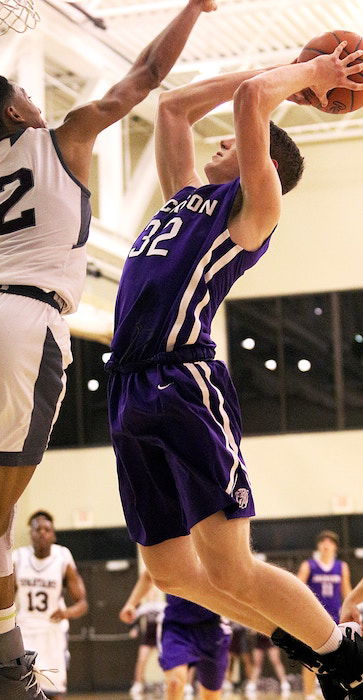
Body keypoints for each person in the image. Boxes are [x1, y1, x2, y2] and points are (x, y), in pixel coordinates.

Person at [0, 2, 219, 697]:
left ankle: (9, 665)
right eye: (26, 96)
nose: (37, 100)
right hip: (21, 319)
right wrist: (192, 8)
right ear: (14, 116)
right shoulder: (66, 136)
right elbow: (150, 73)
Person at [106, 34, 363, 700]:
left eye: (235, 144)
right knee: (175, 576)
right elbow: (173, 111)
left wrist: (308, 74)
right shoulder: (182, 199)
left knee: (232, 569)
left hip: (181, 384)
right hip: (130, 388)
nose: (220, 142)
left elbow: (252, 101)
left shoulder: (251, 211)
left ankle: (347, 650)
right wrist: (293, 79)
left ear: (262, 167)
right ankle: (317, 649)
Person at [120, 568, 231, 700]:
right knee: (175, 682)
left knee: (210, 696)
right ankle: (138, 683)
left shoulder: (213, 552)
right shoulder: (172, 550)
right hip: (177, 627)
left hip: (211, 629)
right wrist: (131, 603)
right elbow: (149, 574)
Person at [13, 510, 87, 698]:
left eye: (47, 529)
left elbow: (82, 603)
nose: (42, 533)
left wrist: (66, 613)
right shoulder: (19, 557)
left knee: (55, 690)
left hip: (52, 631)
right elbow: (6, 596)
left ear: (53, 534)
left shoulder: (62, 557)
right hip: (25, 630)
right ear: (31, 533)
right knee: (24, 689)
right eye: (38, 529)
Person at [297, 531, 352, 700]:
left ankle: (336, 691)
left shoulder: (341, 567)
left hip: (335, 618)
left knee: (336, 658)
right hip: (314, 617)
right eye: (323, 541)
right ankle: (308, 694)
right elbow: (297, 589)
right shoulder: (309, 565)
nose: (326, 544)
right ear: (318, 545)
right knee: (311, 657)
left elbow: (347, 593)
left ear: (335, 546)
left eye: (330, 542)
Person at [120, 585, 165, 700]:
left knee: (166, 660)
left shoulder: (162, 606)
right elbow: (134, 619)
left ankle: (167, 683)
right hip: (148, 636)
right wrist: (134, 629)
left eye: (153, 592)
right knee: (141, 660)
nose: (151, 594)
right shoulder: (144, 607)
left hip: (160, 636)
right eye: (149, 592)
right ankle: (138, 684)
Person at [244, 633, 290, 700]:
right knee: (257, 664)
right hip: (258, 639)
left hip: (270, 637)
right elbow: (252, 630)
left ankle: (284, 683)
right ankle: (252, 684)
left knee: (276, 661)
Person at [222, 623, 253, 696]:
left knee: (246, 660)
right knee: (230, 660)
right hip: (231, 632)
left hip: (243, 632)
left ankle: (251, 682)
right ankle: (228, 681)